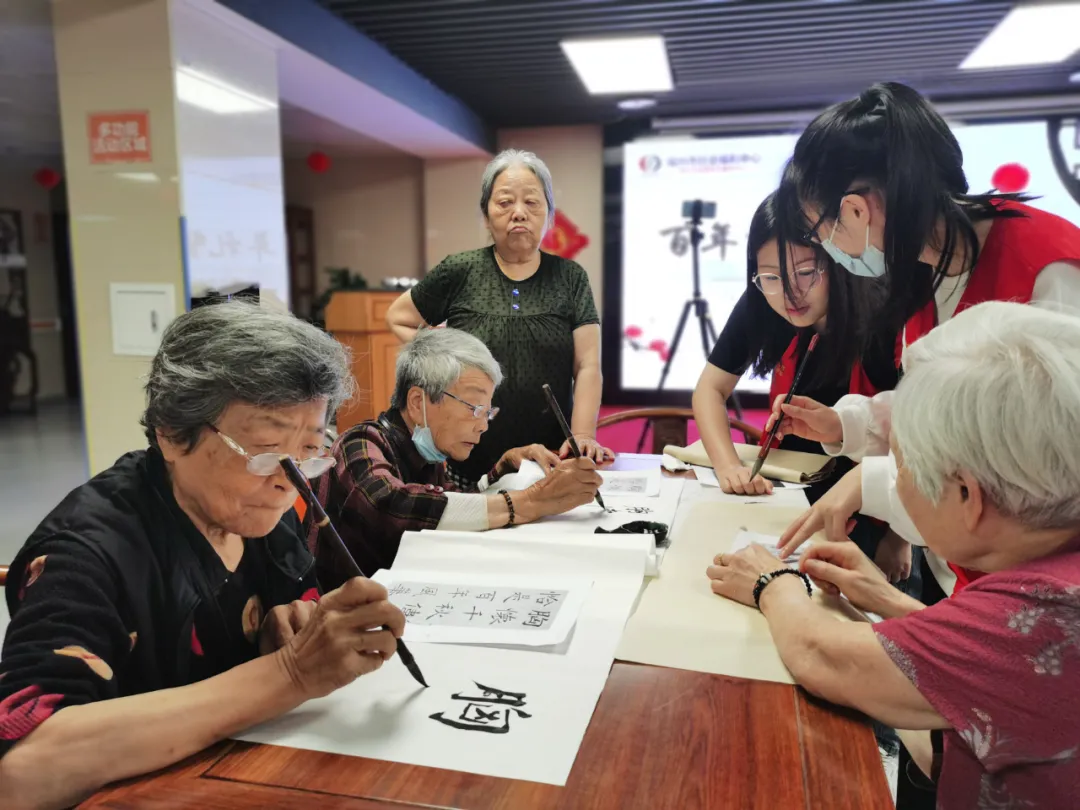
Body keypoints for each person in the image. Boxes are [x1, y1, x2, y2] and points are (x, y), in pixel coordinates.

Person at [0, 302, 407, 810]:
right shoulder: (85, 554)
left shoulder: (263, 511)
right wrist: (289, 674)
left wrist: (292, 625)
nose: (287, 480)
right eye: (265, 449)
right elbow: (22, 769)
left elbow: (286, 621)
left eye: (310, 446)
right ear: (172, 433)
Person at [708, 301, 1080, 809]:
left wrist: (771, 582)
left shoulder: (1046, 614)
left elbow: (821, 656)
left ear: (968, 497)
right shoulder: (1049, 586)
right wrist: (888, 599)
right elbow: (984, 672)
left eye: (899, 468)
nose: (892, 483)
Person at [767, 81, 1080, 595]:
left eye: (819, 230)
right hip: (965, 574)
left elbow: (1036, 474)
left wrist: (867, 484)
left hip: (1035, 595)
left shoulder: (1046, 269)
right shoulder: (924, 275)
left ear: (856, 211)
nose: (827, 248)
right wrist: (845, 421)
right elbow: (936, 408)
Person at [692, 193, 910, 580]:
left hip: (875, 500)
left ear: (836, 258)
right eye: (771, 277)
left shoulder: (883, 314)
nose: (789, 293)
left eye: (806, 272)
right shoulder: (763, 298)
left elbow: (913, 432)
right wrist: (728, 467)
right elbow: (709, 389)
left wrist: (900, 536)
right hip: (790, 489)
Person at [385, 148, 612, 487]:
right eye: (505, 202)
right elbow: (399, 317)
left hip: (550, 457)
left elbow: (588, 364)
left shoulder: (570, 276)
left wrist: (582, 434)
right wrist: (445, 360)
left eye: (532, 203)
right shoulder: (460, 270)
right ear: (486, 214)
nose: (518, 212)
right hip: (467, 454)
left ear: (549, 214)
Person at [312, 326, 602, 589]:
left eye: (488, 412)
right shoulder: (359, 443)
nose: (483, 425)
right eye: (474, 408)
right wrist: (531, 501)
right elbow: (394, 503)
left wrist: (499, 471)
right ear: (417, 402)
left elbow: (451, 507)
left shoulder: (429, 455)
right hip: (351, 617)